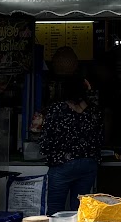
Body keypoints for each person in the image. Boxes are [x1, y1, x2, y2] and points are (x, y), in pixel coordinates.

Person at [32, 74, 101, 214]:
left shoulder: (56, 110)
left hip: (62, 164)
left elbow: (46, 142)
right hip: (88, 164)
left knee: (56, 210)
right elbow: (99, 139)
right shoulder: (93, 111)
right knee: (80, 211)